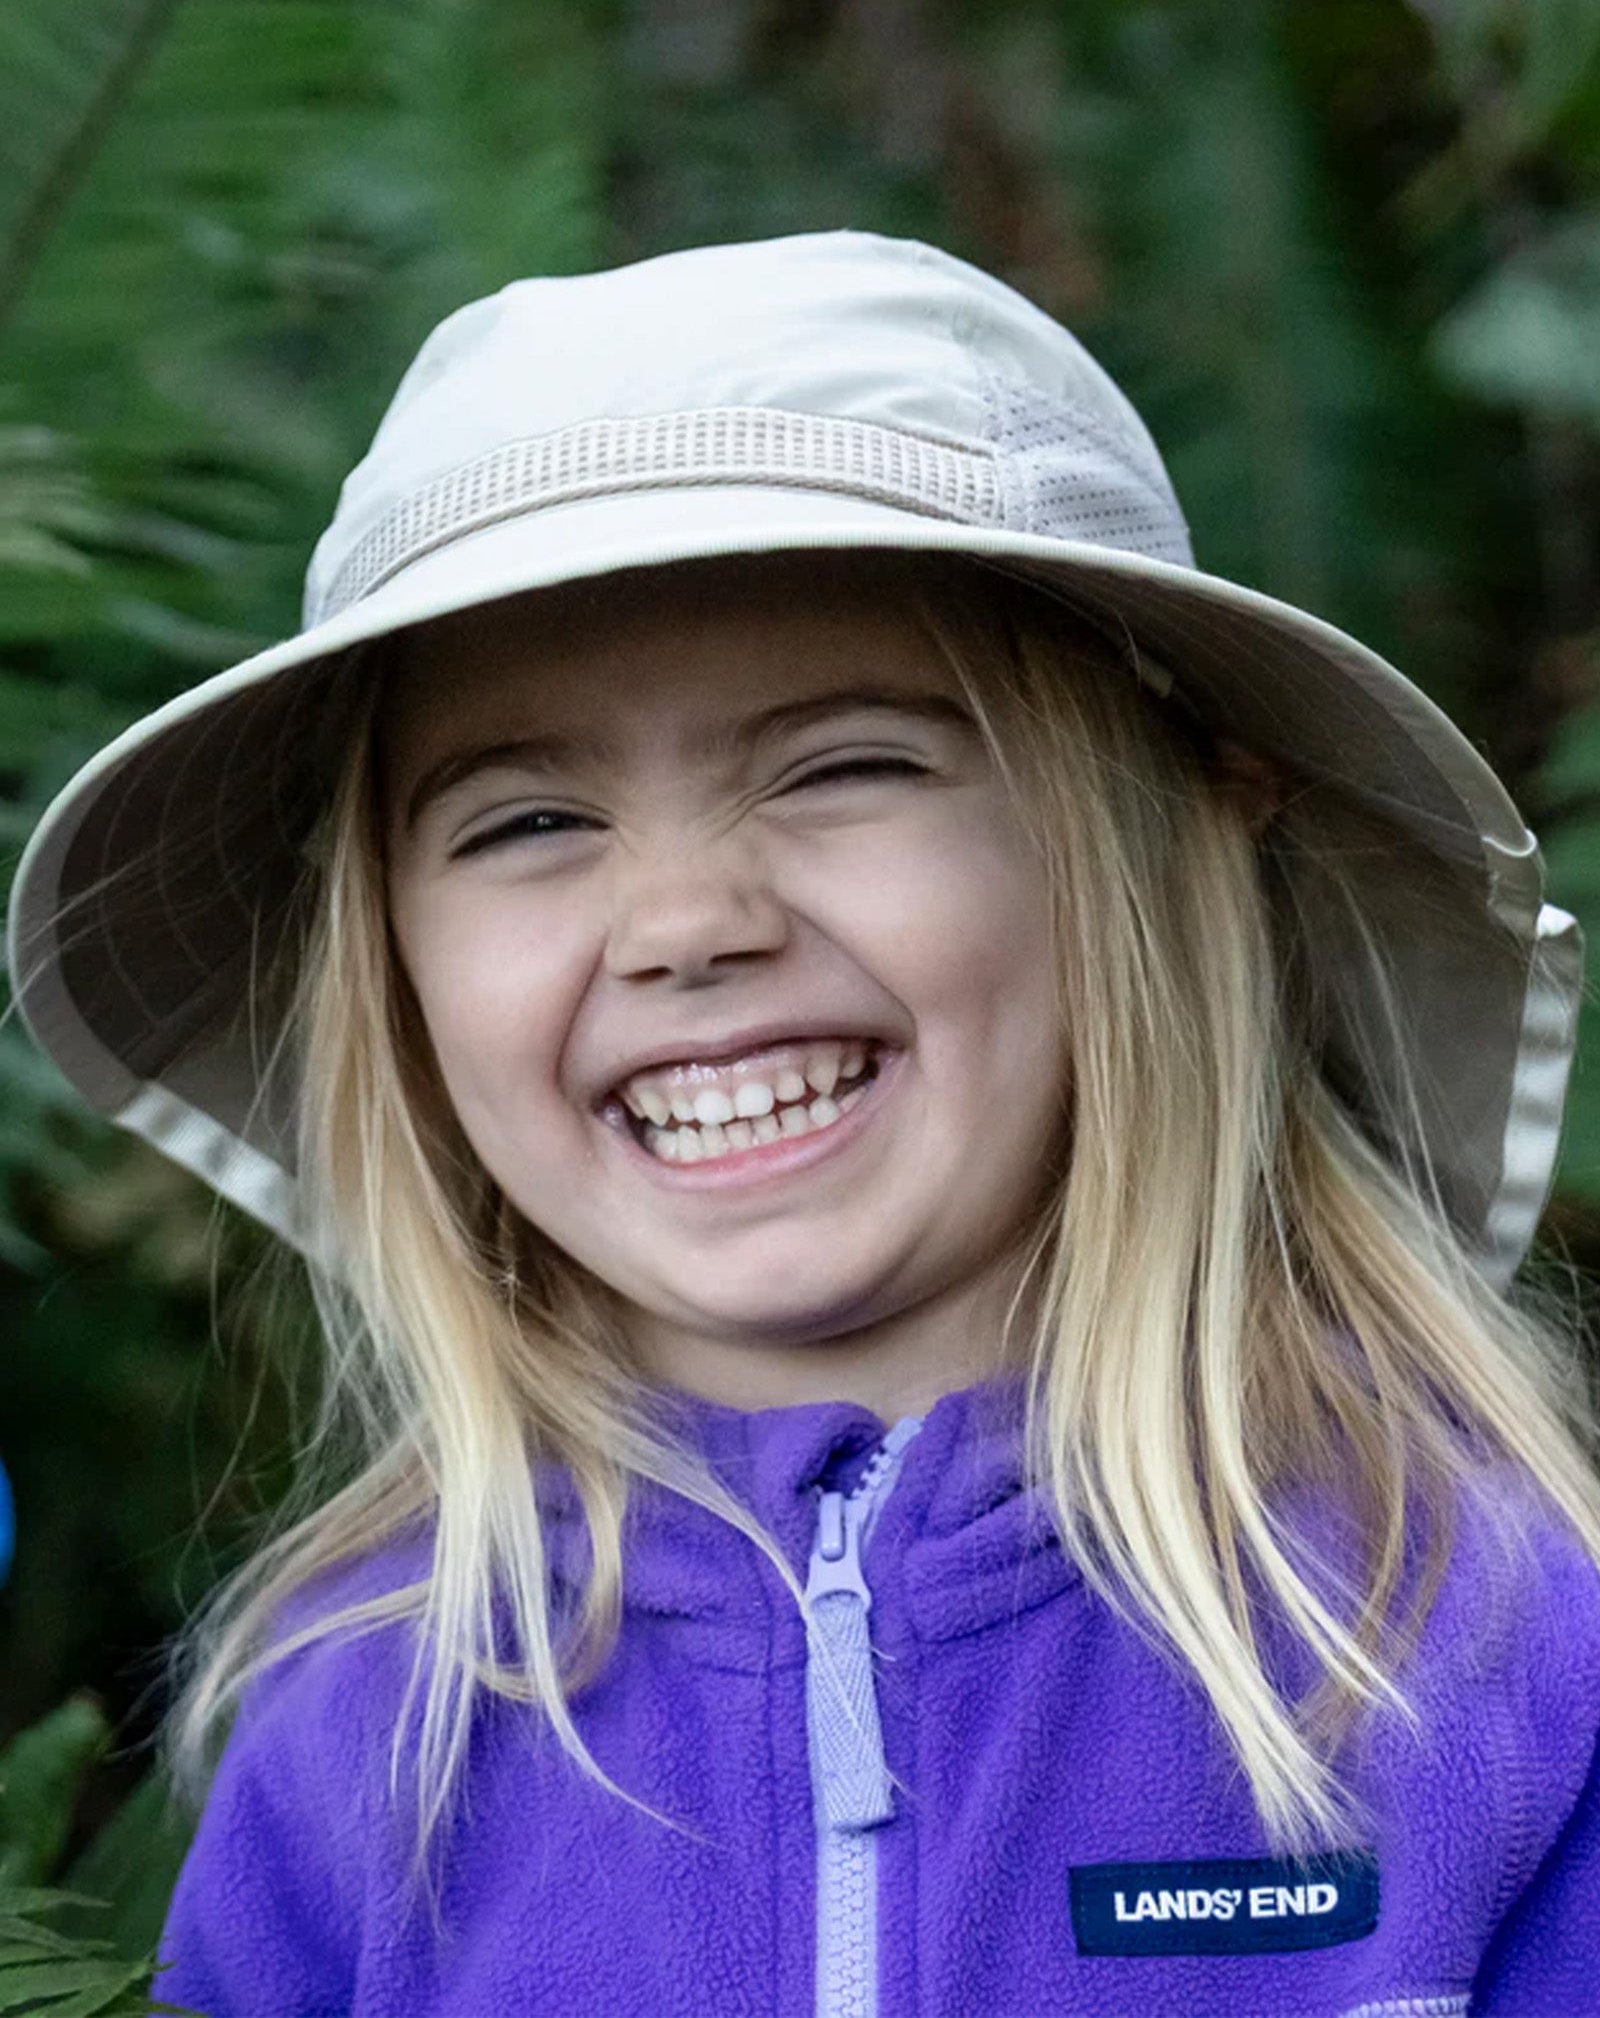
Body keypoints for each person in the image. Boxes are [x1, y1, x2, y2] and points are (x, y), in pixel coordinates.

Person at [8, 230, 1600, 2017]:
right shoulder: (360, 1737)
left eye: (847, 766)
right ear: (388, 962)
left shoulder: (1483, 1643)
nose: (686, 922)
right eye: (526, 822)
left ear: (1163, 853)